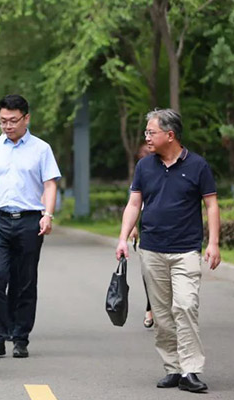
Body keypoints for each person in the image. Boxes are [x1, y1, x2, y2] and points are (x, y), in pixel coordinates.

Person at [116, 108, 221, 393]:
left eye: (151, 132)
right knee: (162, 314)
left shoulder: (197, 165)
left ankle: (190, 370)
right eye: (146, 132)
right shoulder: (144, 167)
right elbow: (134, 204)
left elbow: (211, 204)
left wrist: (213, 243)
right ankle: (173, 368)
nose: (147, 138)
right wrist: (123, 238)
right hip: (152, 249)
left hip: (186, 250)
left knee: (185, 306)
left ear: (170, 135)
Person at [0, 95, 61, 360]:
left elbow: (50, 184)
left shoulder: (41, 149)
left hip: (29, 220)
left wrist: (47, 214)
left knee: (24, 280)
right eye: (3, 120)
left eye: (13, 120)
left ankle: (20, 336)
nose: (7, 125)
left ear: (26, 118)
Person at [128, 143, 154, 329]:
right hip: (148, 225)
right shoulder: (142, 172)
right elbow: (135, 204)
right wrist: (132, 227)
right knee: (149, 270)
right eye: (144, 154)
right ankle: (150, 308)